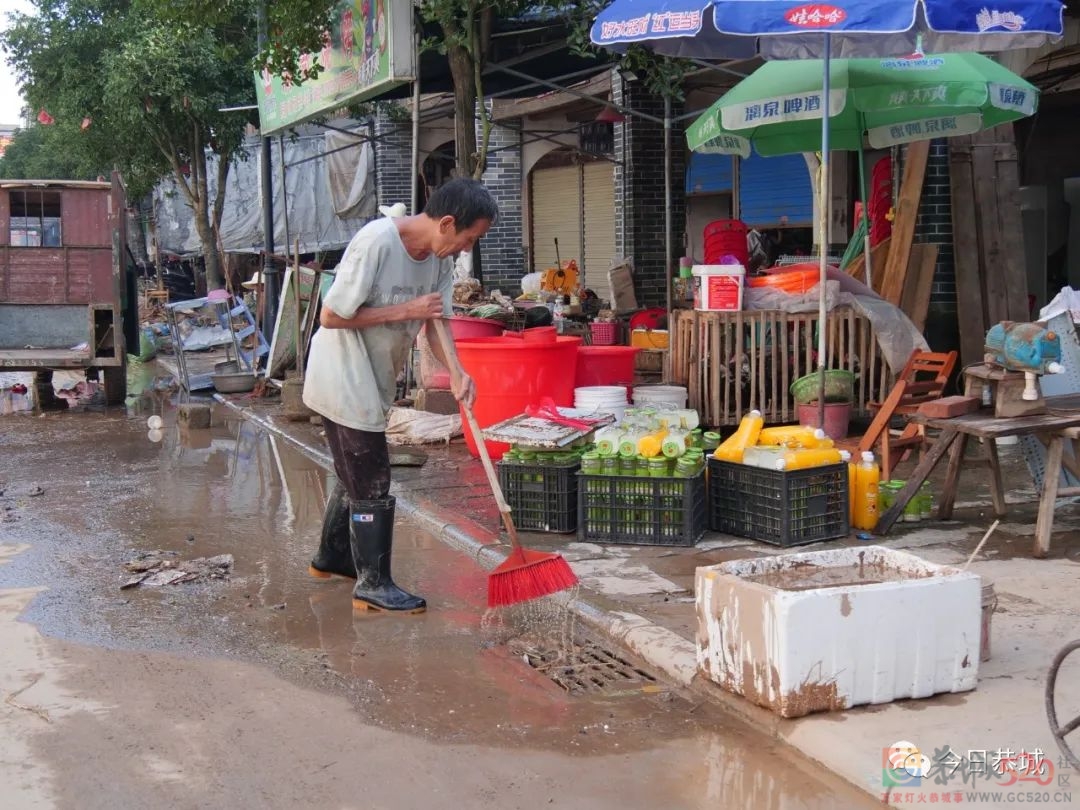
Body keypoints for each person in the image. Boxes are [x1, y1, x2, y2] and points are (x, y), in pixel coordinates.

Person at [302, 178, 497, 614]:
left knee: (351, 473)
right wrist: (403, 311)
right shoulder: (376, 242)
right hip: (341, 374)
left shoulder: (439, 259)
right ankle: (373, 584)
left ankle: (331, 559)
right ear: (447, 223)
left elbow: (436, 321)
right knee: (371, 478)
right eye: (469, 238)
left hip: (375, 375)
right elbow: (331, 315)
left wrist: (459, 374)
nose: (467, 249)